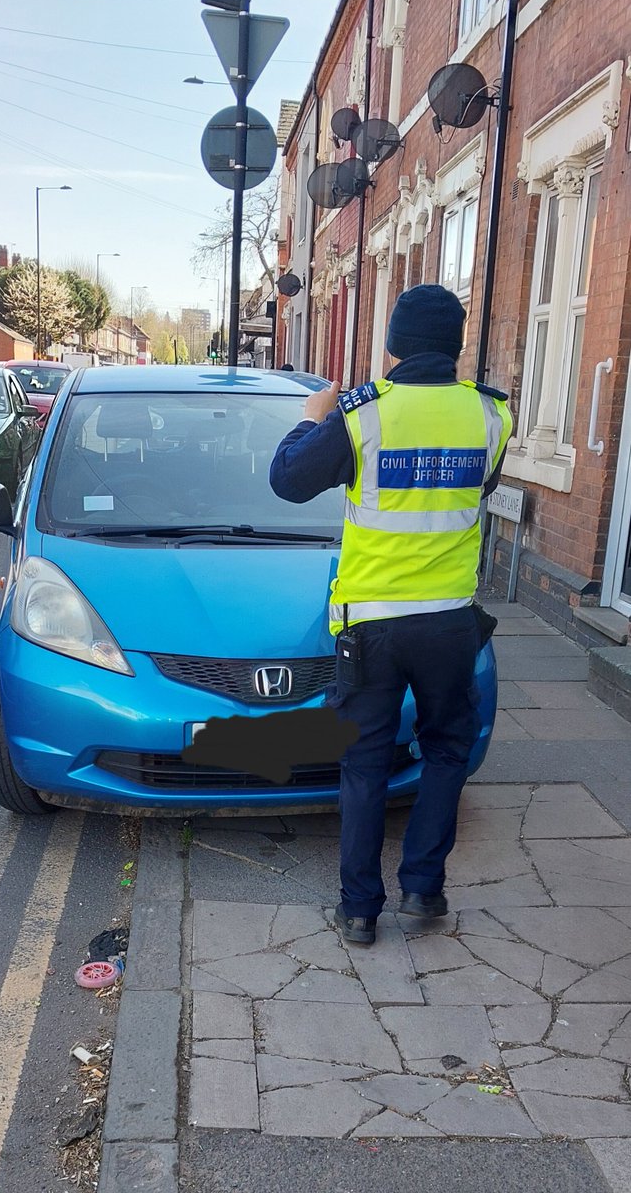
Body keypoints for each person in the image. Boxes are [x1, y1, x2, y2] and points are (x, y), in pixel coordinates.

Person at [269, 284, 514, 946]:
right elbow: (478, 487)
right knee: (446, 750)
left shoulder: (359, 415)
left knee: (364, 763)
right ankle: (424, 889)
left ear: (392, 346)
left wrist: (312, 416)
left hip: (372, 622)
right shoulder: (492, 417)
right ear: (457, 347)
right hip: (448, 622)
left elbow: (286, 481)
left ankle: (358, 911)